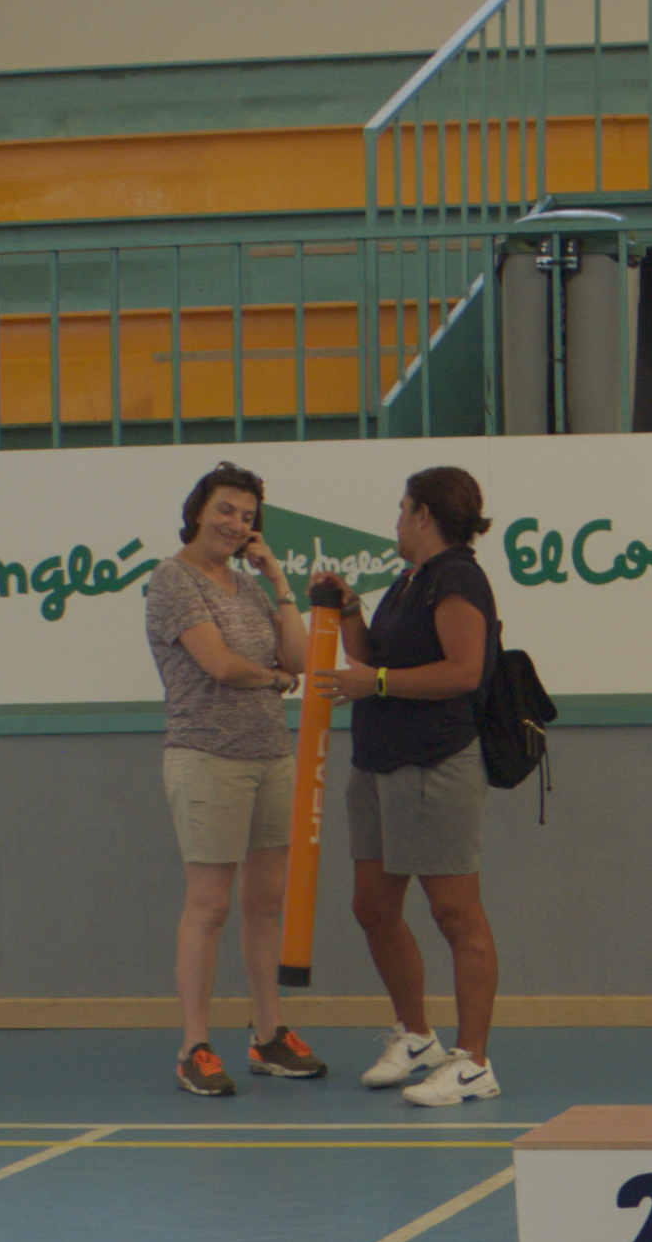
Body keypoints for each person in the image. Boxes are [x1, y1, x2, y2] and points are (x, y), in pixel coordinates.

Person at [326, 467, 505, 1110]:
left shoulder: (457, 577)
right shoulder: (410, 581)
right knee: (372, 907)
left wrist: (372, 683)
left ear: (423, 514)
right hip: (377, 764)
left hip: (435, 764)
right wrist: (350, 609)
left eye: (402, 508)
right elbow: (375, 659)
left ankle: (474, 1062)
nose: (397, 520)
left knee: (455, 913)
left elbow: (462, 672)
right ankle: (418, 1037)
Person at [145, 462, 320, 1096]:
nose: (235, 523)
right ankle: (194, 1046)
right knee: (210, 904)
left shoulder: (247, 586)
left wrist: (279, 582)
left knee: (266, 901)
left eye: (247, 516)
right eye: (225, 509)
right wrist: (275, 680)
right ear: (198, 510)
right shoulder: (172, 580)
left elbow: (302, 658)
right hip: (207, 757)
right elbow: (219, 664)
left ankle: (268, 1035)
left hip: (270, 757)